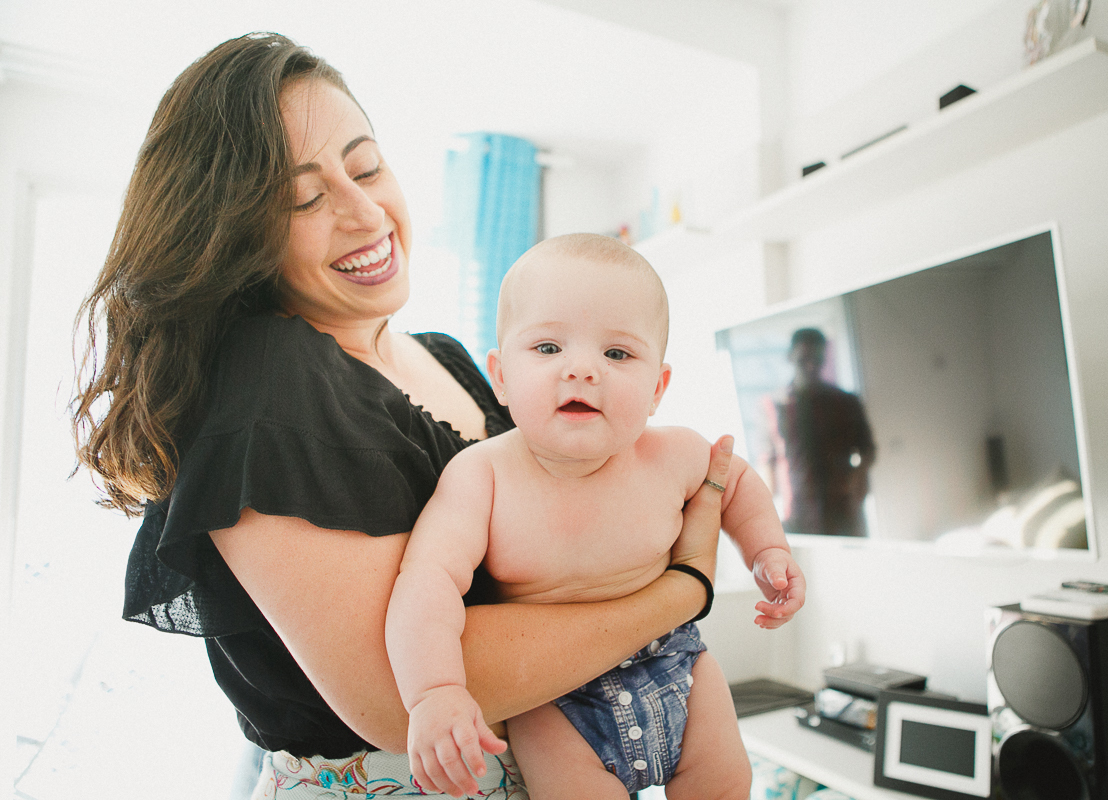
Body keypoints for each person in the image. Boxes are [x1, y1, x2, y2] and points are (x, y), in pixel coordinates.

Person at [70, 33, 732, 799]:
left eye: (366, 168)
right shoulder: (267, 390)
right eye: (305, 198)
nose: (365, 213)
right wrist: (681, 591)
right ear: (233, 233)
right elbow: (393, 698)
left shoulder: (444, 356)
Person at [388, 234, 806, 799]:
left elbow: (737, 483)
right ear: (501, 377)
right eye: (548, 347)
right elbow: (426, 581)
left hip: (678, 662)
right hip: (553, 697)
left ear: (657, 388)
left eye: (617, 354)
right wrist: (434, 691)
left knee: (727, 783)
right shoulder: (481, 475)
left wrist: (768, 552)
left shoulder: (673, 454)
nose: (582, 370)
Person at [760, 328, 876, 537]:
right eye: (803, 359)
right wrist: (766, 512)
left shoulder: (846, 402)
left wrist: (857, 484)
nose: (811, 366)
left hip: (842, 510)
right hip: (796, 513)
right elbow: (767, 460)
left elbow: (867, 450)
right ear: (790, 357)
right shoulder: (773, 406)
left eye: (817, 359)